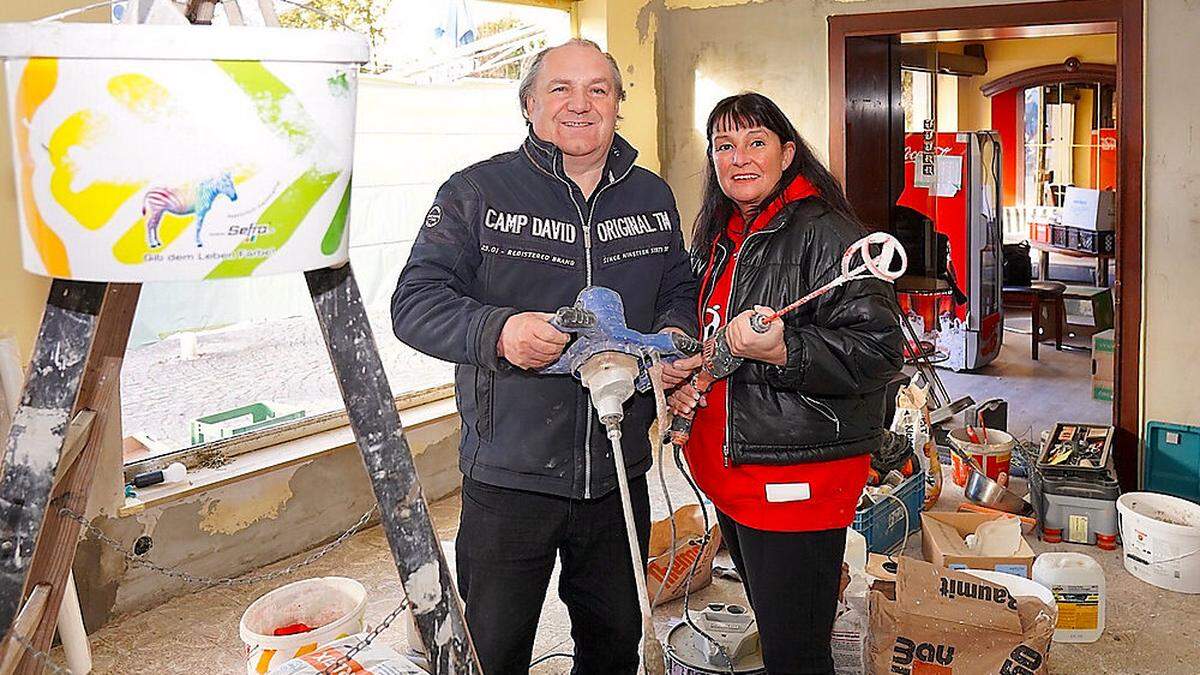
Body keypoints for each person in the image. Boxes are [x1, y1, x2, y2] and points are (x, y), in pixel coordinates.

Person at [391, 39, 699, 675]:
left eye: (598, 90)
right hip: (511, 475)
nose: (580, 105)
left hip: (618, 471)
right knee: (491, 651)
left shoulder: (651, 196)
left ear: (618, 104)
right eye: (561, 88)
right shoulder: (476, 192)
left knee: (614, 646)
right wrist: (499, 332)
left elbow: (679, 289)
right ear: (529, 103)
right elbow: (414, 304)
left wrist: (672, 341)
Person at [669, 92, 904, 674]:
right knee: (779, 624)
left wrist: (784, 347)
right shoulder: (723, 235)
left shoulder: (826, 232)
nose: (739, 158)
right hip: (733, 472)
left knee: (795, 653)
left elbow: (879, 352)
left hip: (795, 475)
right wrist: (685, 375)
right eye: (725, 145)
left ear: (787, 154)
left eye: (756, 143)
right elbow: (713, 339)